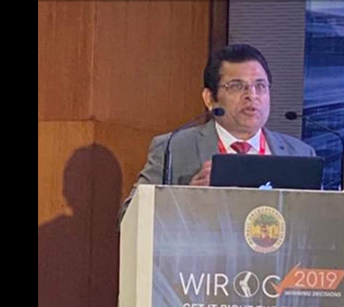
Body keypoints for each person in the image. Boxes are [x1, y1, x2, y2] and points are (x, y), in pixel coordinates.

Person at [119, 44, 316, 224]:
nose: (252, 95)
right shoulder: (173, 148)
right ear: (210, 99)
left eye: (260, 86)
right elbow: (128, 218)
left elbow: (317, 221)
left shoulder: (300, 154)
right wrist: (186, 200)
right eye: (236, 86)